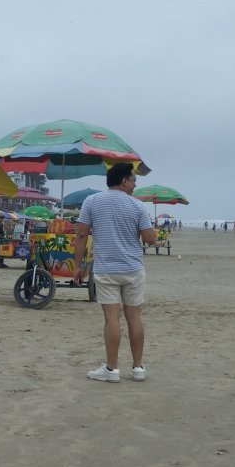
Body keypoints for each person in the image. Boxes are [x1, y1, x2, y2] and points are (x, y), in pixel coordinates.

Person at [72, 162, 158, 383]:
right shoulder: (138, 206)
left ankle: (112, 369)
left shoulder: (91, 201)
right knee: (134, 317)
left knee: (111, 319)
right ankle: (138, 368)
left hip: (106, 268)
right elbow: (150, 239)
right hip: (132, 268)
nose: (134, 186)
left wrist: (77, 266)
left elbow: (81, 235)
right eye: (133, 181)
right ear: (123, 181)